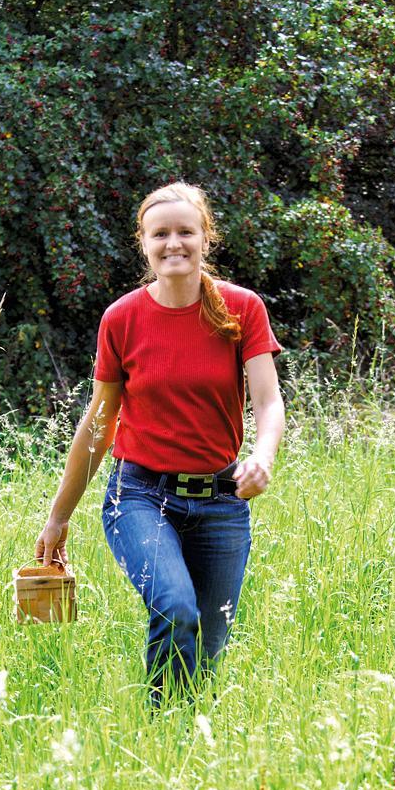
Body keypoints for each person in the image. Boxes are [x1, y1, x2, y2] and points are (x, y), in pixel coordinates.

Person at [35, 180, 285, 704]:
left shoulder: (241, 309)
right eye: (161, 234)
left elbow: (267, 401)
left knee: (207, 649)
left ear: (205, 239)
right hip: (141, 496)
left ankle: (183, 749)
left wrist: (261, 457)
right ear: (144, 243)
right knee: (175, 608)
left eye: (186, 232)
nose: (174, 243)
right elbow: (100, 423)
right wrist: (60, 516)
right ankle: (163, 731)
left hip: (222, 501)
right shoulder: (122, 319)